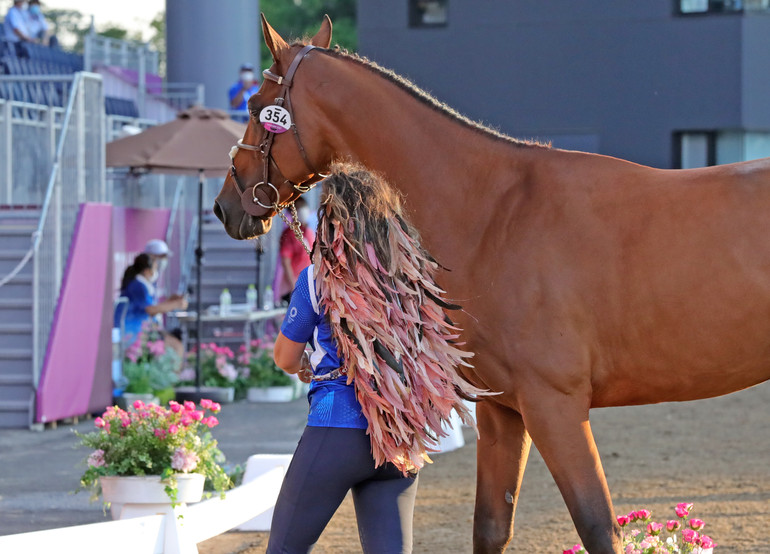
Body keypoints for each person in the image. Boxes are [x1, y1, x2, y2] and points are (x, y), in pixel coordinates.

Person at [268, 164, 486, 553]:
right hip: (400, 436)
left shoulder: (319, 277)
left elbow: (285, 357)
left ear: (331, 215)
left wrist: (307, 364)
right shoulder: (415, 275)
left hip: (337, 429)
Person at [116, 253, 187, 346]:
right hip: (129, 334)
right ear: (146, 271)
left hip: (138, 333)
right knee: (175, 346)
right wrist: (176, 304)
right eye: (155, 267)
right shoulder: (138, 285)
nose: (156, 271)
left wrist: (171, 301)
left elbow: (153, 307)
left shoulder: (143, 284)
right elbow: (151, 310)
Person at [277, 197, 315, 304]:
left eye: (304, 207)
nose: (303, 210)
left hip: (308, 288)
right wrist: (295, 288)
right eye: (300, 208)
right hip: (293, 290)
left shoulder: (309, 232)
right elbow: (285, 262)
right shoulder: (290, 234)